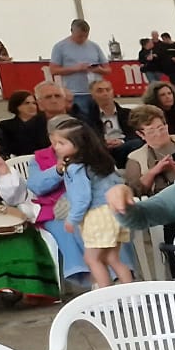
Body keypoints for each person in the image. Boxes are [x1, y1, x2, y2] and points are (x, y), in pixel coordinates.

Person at [0, 124, 60, 304]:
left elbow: (15, 197)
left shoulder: (0, 165)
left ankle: (11, 285)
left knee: (20, 236)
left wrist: (4, 173)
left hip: (2, 210)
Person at [48, 116, 132, 290]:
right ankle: (131, 293)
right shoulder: (100, 161)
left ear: (78, 144)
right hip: (114, 213)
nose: (56, 147)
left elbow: (81, 197)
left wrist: (72, 218)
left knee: (92, 259)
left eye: (61, 143)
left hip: (97, 216)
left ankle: (106, 295)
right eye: (55, 143)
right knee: (112, 258)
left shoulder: (76, 168)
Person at [121, 103, 175, 190]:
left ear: (166, 126)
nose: (158, 134)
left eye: (161, 128)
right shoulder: (136, 158)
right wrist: (154, 171)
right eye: (151, 131)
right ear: (140, 134)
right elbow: (133, 190)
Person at [74, 75, 138, 162]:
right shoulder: (87, 117)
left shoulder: (129, 114)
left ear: (112, 92)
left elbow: (137, 134)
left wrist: (122, 142)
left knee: (136, 144)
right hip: (101, 151)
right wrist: (103, 143)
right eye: (100, 91)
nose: (105, 93)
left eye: (108, 90)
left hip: (127, 147)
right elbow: (88, 139)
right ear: (92, 95)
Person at [48, 19, 107, 99]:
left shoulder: (94, 46)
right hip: (74, 93)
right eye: (79, 36)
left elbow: (108, 69)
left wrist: (97, 69)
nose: (83, 39)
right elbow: (53, 70)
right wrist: (76, 68)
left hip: (96, 92)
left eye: (86, 36)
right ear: (72, 31)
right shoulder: (60, 47)